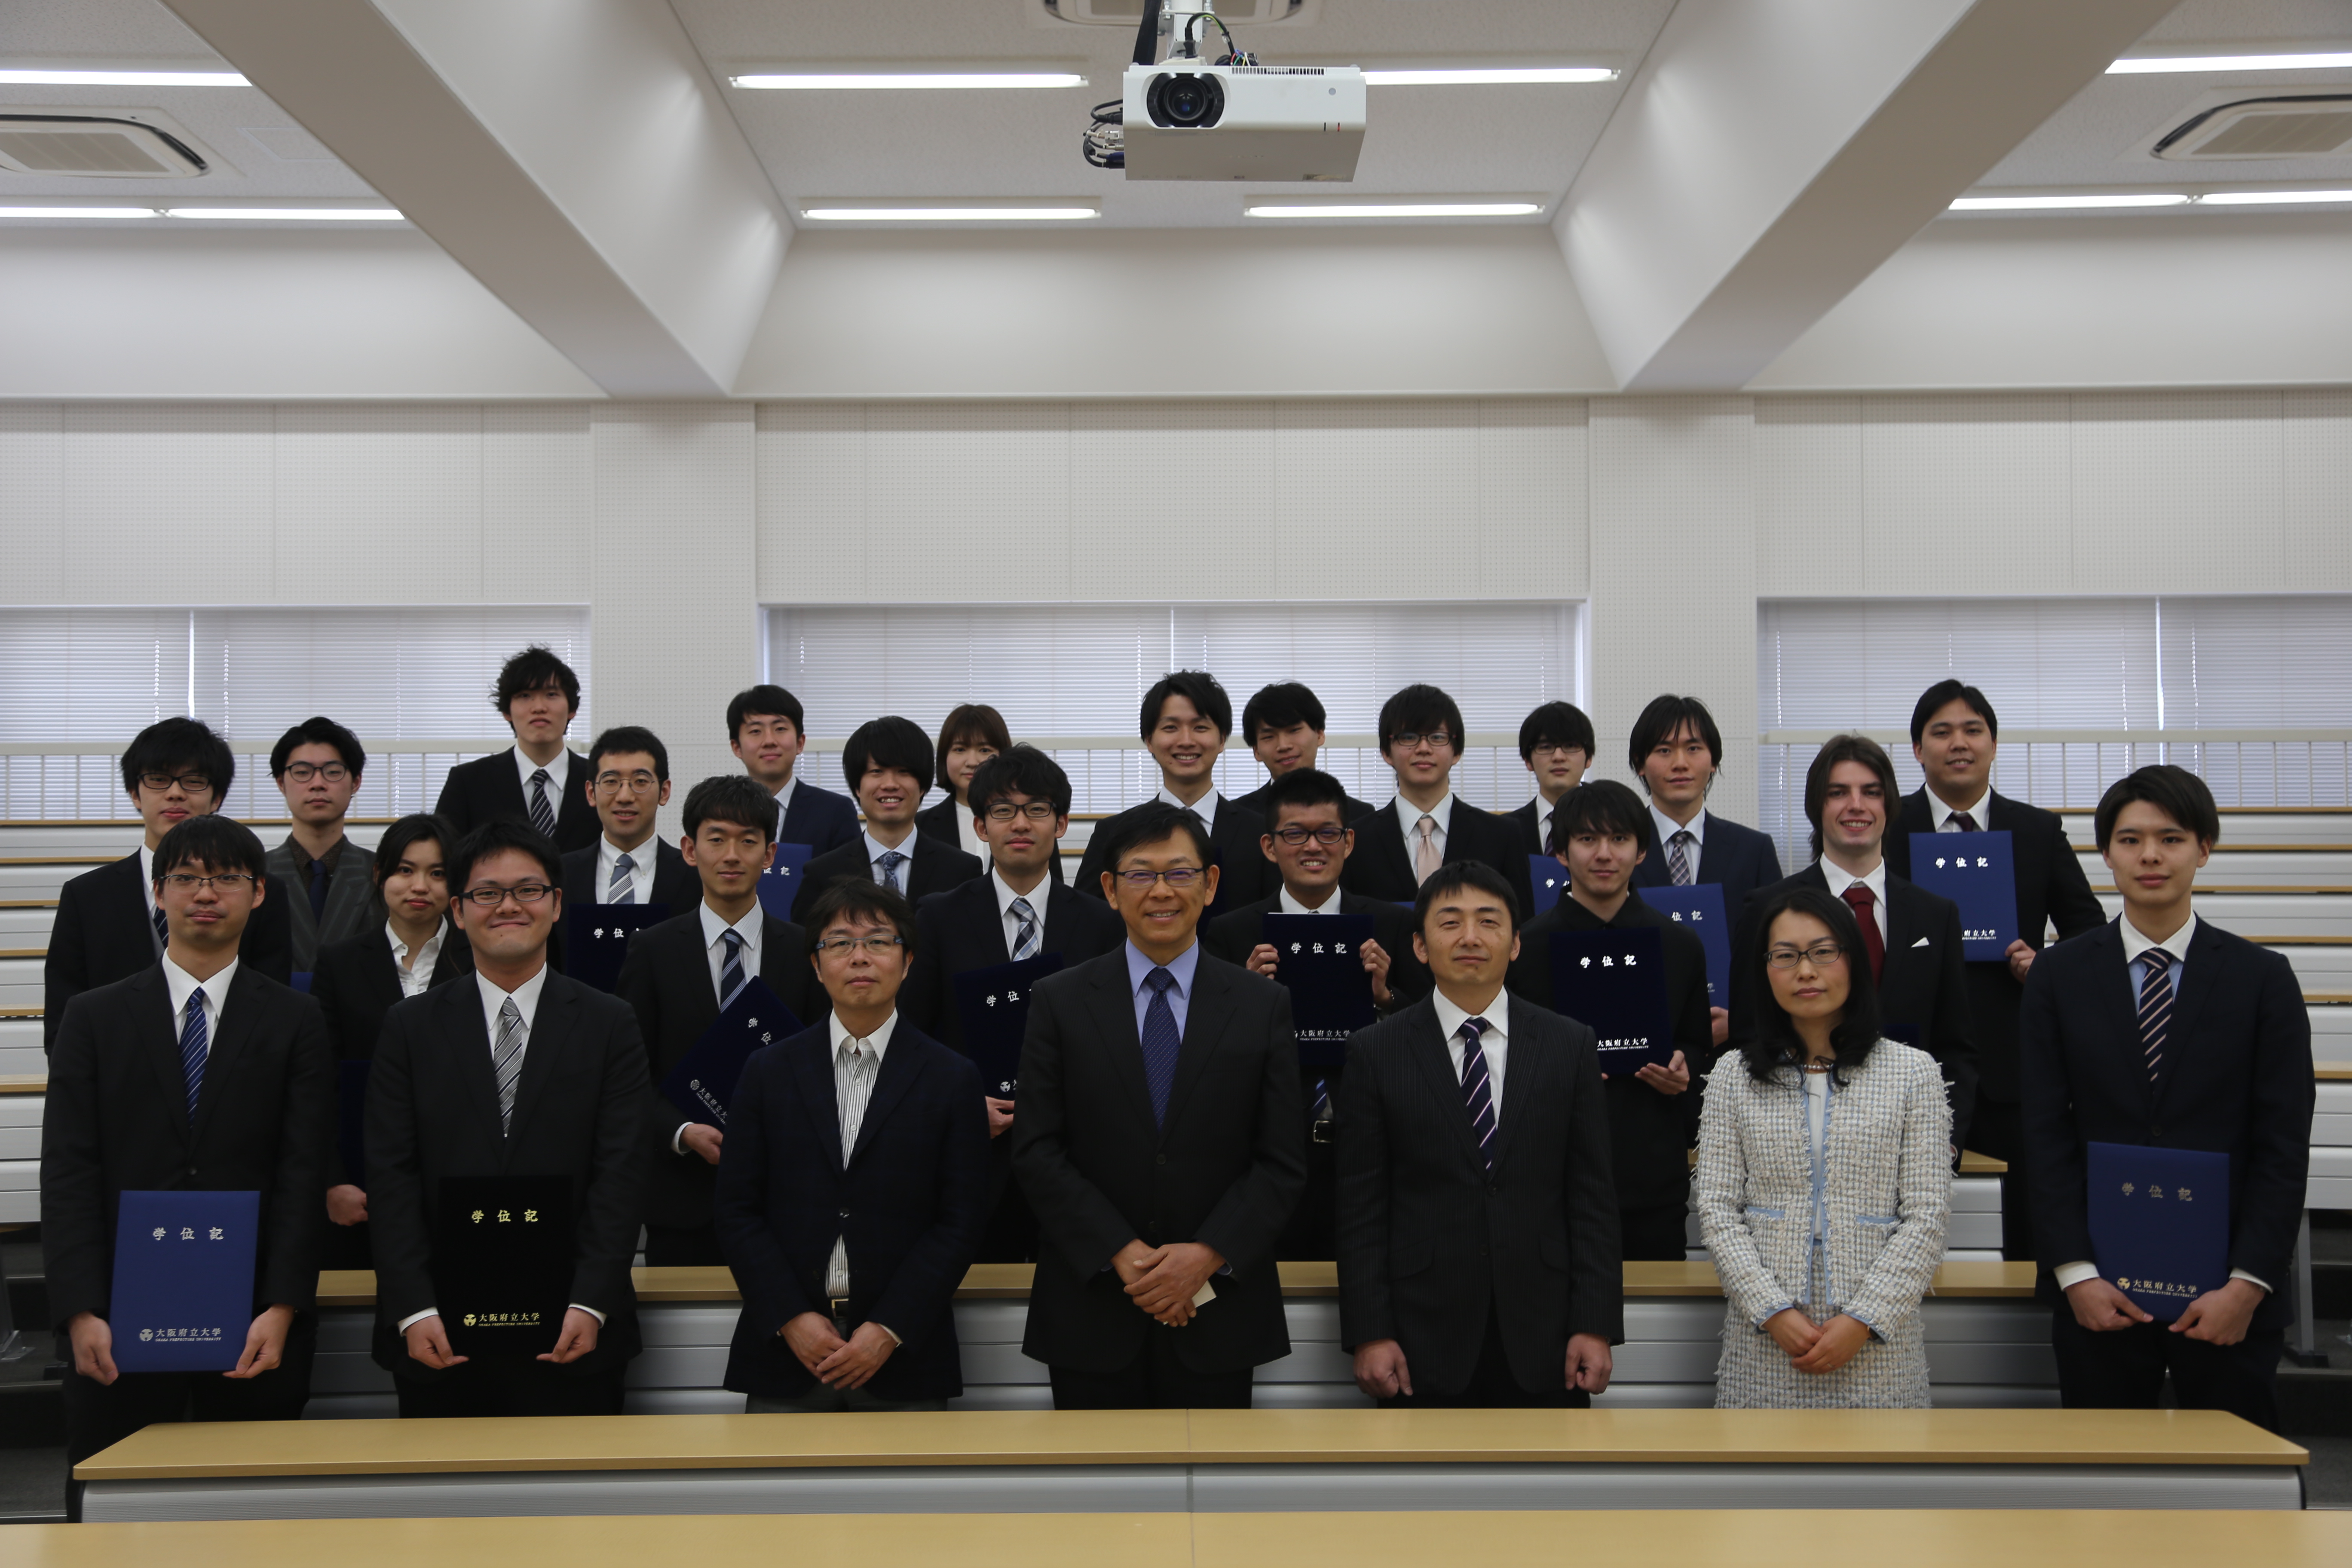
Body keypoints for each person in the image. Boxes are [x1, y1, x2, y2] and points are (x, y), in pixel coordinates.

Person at [41, 815, 333, 1503]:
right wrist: (81, 1310)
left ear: (257, 894)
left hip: (255, 1317)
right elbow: (69, 1171)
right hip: (117, 1317)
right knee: (114, 1509)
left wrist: (283, 1307)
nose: (206, 893)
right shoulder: (93, 1017)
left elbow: (303, 1172)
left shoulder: (296, 1019)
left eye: (226, 878)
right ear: (158, 891)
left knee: (253, 1512)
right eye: (186, 878)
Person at [2021, 766, 2312, 1433]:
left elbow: (2283, 1144)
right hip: (2099, 1291)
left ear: (2204, 849)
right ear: (2107, 853)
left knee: (2238, 1482)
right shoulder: (2058, 975)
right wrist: (2076, 1274)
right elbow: (2043, 1133)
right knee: (2103, 1479)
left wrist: (2247, 1285)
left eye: (2171, 838)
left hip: (2228, 1295)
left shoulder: (2263, 978)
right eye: (2130, 840)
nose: (2150, 856)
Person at [1013, 802, 1306, 1409]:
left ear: (1211, 883)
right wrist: (1121, 1254)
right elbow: (1038, 1150)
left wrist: (1205, 1256)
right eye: (1141, 874)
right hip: (1092, 1307)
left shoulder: (1261, 1004)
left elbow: (1281, 1159)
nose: (1162, 891)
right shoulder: (1059, 1001)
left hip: (1219, 1311)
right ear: (1110, 889)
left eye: (1180, 873)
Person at [364, 820, 649, 1417]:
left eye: (528, 890)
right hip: (439, 1332)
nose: (509, 907)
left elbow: (621, 1174)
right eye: (487, 893)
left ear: (556, 904)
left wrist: (591, 1302)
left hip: (576, 1329)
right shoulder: (409, 1027)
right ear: (458, 911)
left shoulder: (609, 1023)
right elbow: (391, 1176)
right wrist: (414, 1309)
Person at [1337, 861, 1620, 1409]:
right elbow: (1360, 1208)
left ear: (1516, 944)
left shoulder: (1569, 1045)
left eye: (1489, 922)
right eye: (1451, 923)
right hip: (1418, 1335)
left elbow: (1593, 1200)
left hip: (1548, 1333)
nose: (1470, 937)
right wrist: (1370, 1332)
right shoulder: (1376, 1052)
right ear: (1420, 947)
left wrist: (1596, 1323)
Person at [714, 880, 989, 1412]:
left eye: (879, 942)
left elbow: (961, 1220)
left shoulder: (952, 1077)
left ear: (908, 961)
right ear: (816, 966)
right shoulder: (768, 1071)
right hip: (786, 1352)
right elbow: (736, 1210)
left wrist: (889, 1328)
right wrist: (791, 1318)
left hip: (904, 1355)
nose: (859, 957)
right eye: (840, 943)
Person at [1694, 885, 1952, 1409]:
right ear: (1765, 971)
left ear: (1853, 960)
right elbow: (1718, 1210)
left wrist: (1864, 1318)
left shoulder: (1913, 1073)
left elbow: (1927, 1214)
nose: (1806, 972)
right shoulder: (1732, 1075)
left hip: (1878, 1341)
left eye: (1823, 952)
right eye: (1786, 956)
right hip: (1765, 1338)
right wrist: (1772, 1310)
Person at [1885, 680, 2106, 1262]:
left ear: (1993, 743)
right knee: (1893, 1223)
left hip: (2015, 1063)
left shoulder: (2037, 831)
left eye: (1972, 730)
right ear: (1918, 749)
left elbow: (2090, 933)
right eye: (1941, 732)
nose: (1958, 743)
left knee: (2033, 1227)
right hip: (1908, 1060)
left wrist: (2048, 966)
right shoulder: (1885, 828)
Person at [900, 747, 1125, 1262]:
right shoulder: (939, 917)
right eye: (1003, 811)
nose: (1020, 824)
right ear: (981, 827)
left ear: (1061, 824)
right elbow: (913, 1034)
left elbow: (1117, 1040)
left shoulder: (1103, 923)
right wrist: (960, 1105)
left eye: (1037, 809)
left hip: (1077, 1160)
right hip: (973, 1156)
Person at [1203, 766, 1430, 1259]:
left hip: (1371, 1137)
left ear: (1349, 842)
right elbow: (1208, 1049)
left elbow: (1431, 1031)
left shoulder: (1393, 924)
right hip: (1267, 1144)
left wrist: (1385, 997)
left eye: (1328, 833)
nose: (1313, 847)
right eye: (1295, 835)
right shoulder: (1231, 933)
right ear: (1270, 847)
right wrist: (1246, 995)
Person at [1729, 734, 1978, 1156]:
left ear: (1889, 805)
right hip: (1795, 1142)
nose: (1857, 805)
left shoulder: (1936, 915)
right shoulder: (1767, 908)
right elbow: (1749, 1035)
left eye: (1871, 792)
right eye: (1838, 793)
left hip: (1910, 1140)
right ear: (1817, 806)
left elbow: (1955, 1045)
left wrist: (1944, 1142)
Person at [616, 776, 827, 1268]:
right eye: (716, 839)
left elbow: (823, 1064)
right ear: (690, 850)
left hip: (786, 1198)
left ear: (770, 855)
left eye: (748, 841)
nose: (732, 855)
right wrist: (681, 1130)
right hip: (682, 1199)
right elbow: (628, 1075)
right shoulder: (652, 950)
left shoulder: (804, 953)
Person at [1505, 781, 1711, 1261]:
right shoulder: (1522, 950)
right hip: (1545, 1177)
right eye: (1587, 839)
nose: (1604, 854)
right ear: (1561, 852)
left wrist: (1684, 1066)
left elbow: (1698, 1044)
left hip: (1651, 1173)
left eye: (1619, 839)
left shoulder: (1679, 945)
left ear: (1641, 851)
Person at [46, 717, 294, 1051]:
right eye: (158, 780)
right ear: (135, 794)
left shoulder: (261, 891)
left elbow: (274, 1011)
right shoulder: (86, 896)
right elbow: (63, 1022)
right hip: (117, 1074)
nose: (175, 793)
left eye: (194, 781)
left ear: (217, 798)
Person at [309, 814, 473, 1271]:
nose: (420, 886)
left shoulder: (481, 959)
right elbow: (317, 1085)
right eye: (405, 870)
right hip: (364, 1180)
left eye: (437, 873)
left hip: (463, 1176)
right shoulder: (339, 964)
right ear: (379, 874)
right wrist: (332, 1181)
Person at [1073, 671, 1275, 919]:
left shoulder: (1261, 832)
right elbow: (1085, 920)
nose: (1186, 741)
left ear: (1222, 739)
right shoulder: (1112, 832)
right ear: (1149, 740)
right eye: (1171, 728)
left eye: (1200, 727)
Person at [1340, 683, 1534, 918]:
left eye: (1437, 737)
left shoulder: (1501, 836)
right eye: (1408, 737)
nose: (1423, 748)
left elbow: (1522, 924)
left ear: (1457, 751)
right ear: (1386, 752)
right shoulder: (1356, 840)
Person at [794, 717, 983, 919]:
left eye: (903, 771)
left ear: (923, 786)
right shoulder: (823, 874)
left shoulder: (962, 870)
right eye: (877, 771)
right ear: (857, 787)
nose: (890, 784)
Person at [1623, 695, 1784, 918]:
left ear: (1714, 762)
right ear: (1640, 763)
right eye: (1665, 751)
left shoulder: (1753, 851)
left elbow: (1776, 932)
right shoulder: (1617, 848)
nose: (1680, 764)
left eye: (1693, 748)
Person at [432, 646, 598, 854]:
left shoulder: (599, 779)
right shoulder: (468, 782)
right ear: (507, 712)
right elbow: (443, 857)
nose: (539, 707)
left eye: (551, 694)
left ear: (572, 709)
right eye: (525, 695)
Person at [264, 717, 375, 974]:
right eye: (302, 773)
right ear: (281, 783)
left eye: (333, 772)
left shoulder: (382, 874)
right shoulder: (253, 874)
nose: (317, 784)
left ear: (356, 782)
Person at [559, 726, 697, 911]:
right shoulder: (559, 874)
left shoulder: (697, 875)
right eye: (611, 782)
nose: (625, 797)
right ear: (591, 793)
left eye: (640, 781)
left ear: (664, 792)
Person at [729, 684, 860, 855]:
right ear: (737, 747)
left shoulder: (835, 811)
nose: (769, 741)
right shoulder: (720, 813)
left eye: (780, 729)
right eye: (755, 731)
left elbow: (850, 872)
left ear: (800, 743)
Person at [1229, 682, 1374, 823]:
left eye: (1294, 730)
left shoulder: (1360, 815)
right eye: (1269, 737)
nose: (1283, 746)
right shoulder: (1237, 817)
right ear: (1256, 751)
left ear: (1319, 734)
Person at [913, 703, 1009, 866]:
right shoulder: (919, 826)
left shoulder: (1025, 821)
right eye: (960, 750)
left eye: (985, 750)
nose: (972, 762)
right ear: (944, 757)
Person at [1507, 701, 1595, 858]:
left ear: (1589, 758)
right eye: (1546, 747)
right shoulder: (1504, 831)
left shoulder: (1615, 823)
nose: (1558, 757)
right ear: (1528, 761)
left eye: (1571, 746)